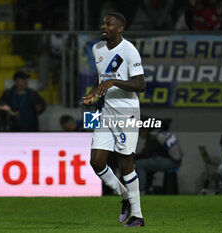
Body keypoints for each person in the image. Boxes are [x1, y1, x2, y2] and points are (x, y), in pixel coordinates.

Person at [82, 12, 146, 227]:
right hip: (105, 111)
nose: (103, 26)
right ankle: (125, 195)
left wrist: (116, 82)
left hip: (126, 112)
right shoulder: (97, 48)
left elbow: (140, 85)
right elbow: (101, 78)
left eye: (109, 24)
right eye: (103, 23)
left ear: (119, 29)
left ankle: (137, 216)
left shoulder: (129, 50)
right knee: (96, 161)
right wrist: (93, 94)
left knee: (125, 163)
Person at [135, 118, 183, 194]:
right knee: (147, 162)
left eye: (140, 132)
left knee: (139, 164)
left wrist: (132, 157)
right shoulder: (159, 132)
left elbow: (147, 153)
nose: (140, 135)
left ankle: (141, 191)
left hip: (172, 162)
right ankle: (148, 188)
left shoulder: (153, 136)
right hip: (175, 160)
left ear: (145, 130)